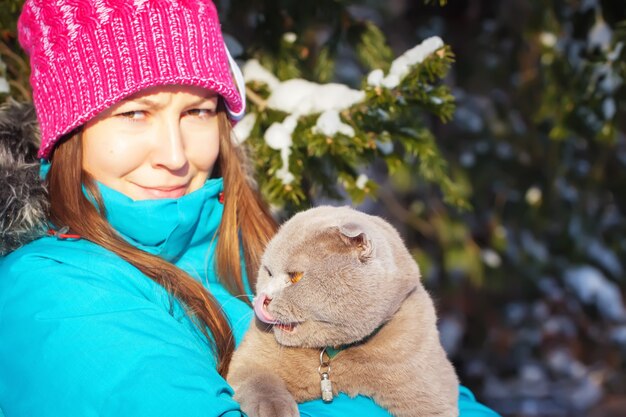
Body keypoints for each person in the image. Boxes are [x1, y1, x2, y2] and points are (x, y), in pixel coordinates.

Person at [0, 1, 501, 416]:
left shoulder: (244, 251)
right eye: (134, 114)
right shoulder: (54, 293)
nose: (175, 156)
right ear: (69, 136)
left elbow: (439, 387)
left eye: (196, 111)